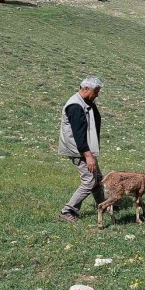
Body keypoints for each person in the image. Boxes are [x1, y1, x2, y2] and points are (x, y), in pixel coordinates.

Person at [57, 76, 105, 223]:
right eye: (95, 92)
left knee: (97, 178)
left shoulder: (87, 101)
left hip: (86, 149)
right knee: (90, 180)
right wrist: (88, 155)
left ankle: (102, 205)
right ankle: (67, 211)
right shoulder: (76, 106)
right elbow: (78, 135)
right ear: (86, 89)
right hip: (80, 150)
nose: (97, 95)